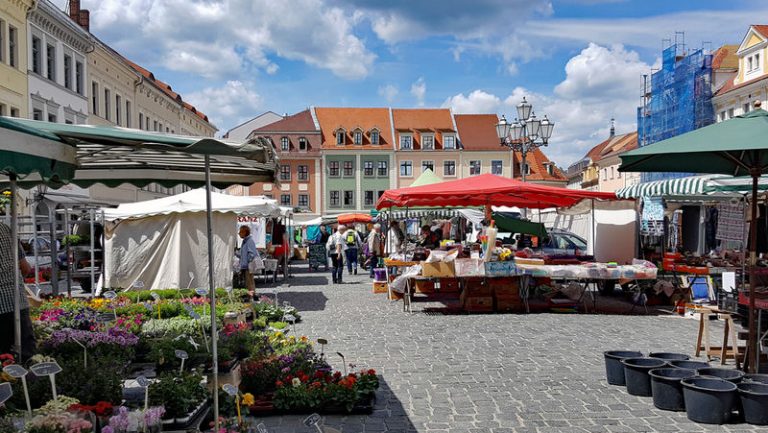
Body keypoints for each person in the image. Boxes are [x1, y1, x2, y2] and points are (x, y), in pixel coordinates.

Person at [0, 222, 36, 359]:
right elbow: (25, 268)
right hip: (17, 302)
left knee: (4, 363)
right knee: (26, 357)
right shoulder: (5, 228)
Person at [237, 225, 258, 294]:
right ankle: (252, 297)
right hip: (246, 266)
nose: (239, 233)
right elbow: (243, 254)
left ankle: (252, 298)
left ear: (244, 232)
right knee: (249, 282)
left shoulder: (249, 241)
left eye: (240, 232)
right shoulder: (245, 241)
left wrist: (248, 262)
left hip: (248, 266)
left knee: (250, 283)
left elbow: (252, 253)